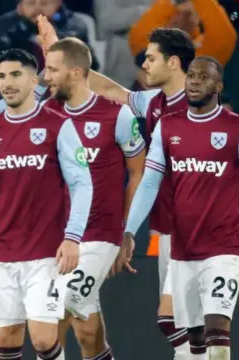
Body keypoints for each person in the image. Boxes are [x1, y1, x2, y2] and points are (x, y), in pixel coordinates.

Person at [121, 56, 239, 360]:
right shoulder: (168, 127)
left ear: (218, 86)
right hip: (182, 250)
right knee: (193, 340)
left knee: (217, 327)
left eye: (203, 77)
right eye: (191, 75)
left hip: (224, 247)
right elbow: (150, 183)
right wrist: (128, 231)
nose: (194, 81)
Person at [38, 19, 198, 358]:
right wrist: (60, 52)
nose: (143, 64)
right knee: (166, 322)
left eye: (151, 57)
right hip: (167, 227)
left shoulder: (203, 103)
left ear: (173, 62)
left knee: (186, 322)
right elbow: (111, 91)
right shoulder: (153, 102)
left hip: (199, 229)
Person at [0, 48, 93, 360]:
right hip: (1, 251)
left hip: (46, 252)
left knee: (44, 340)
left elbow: (82, 184)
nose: (7, 82)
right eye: (2, 76)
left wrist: (73, 237)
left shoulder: (59, 125)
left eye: (15, 74)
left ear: (34, 80)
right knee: (7, 341)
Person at [41, 37, 146, 360]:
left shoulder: (118, 116)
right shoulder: (46, 113)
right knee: (87, 331)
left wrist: (127, 233)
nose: (46, 77)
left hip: (101, 234)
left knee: (55, 311)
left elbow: (138, 174)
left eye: (52, 70)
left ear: (75, 73)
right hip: (57, 235)